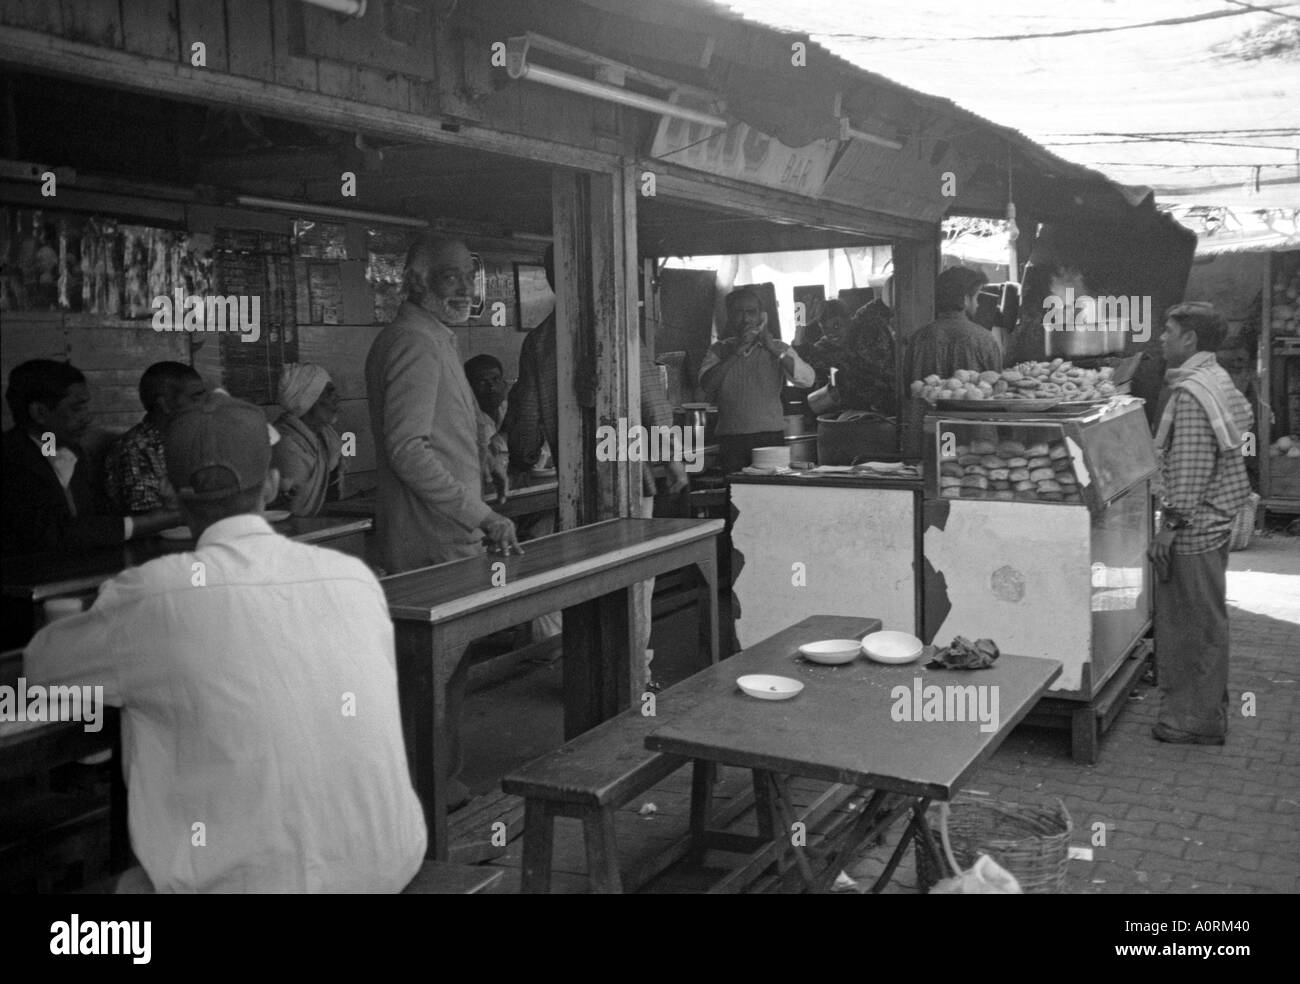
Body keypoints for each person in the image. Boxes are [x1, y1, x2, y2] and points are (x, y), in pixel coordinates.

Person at [23, 393, 427, 891]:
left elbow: (41, 669)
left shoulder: (154, 595)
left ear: (172, 495)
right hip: (386, 870)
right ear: (273, 485)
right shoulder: (353, 579)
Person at [365, 232, 520, 809]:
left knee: (445, 673)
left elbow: (439, 434)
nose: (465, 286)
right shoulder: (414, 341)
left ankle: (437, 787)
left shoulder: (432, 337)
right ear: (416, 280)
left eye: (469, 275)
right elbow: (409, 449)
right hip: (431, 539)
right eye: (450, 275)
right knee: (434, 676)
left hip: (440, 532)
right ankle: (426, 798)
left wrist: (483, 467)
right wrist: (481, 514)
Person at [507, 245, 688, 689]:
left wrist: (525, 456)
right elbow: (652, 398)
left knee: (581, 576)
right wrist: (674, 459)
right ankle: (634, 676)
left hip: (574, 486)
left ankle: (586, 677)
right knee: (635, 579)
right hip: (627, 477)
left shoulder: (540, 340)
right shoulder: (619, 326)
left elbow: (526, 419)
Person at [1148, 302, 1253, 746]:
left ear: (1189, 339)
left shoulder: (1190, 393)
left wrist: (1168, 528)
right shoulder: (1216, 378)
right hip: (1216, 520)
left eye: (1168, 331)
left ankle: (1196, 720)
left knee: (1192, 625)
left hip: (1195, 528)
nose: (1161, 338)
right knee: (1206, 619)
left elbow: (1189, 471)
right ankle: (1207, 708)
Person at [2, 359, 180, 557]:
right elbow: (51, 534)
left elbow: (96, 517)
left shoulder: (64, 450)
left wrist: (163, 509)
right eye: (77, 408)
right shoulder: (11, 460)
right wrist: (151, 521)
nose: (88, 417)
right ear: (40, 412)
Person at [699, 285, 816, 474]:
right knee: (735, 495)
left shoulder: (778, 348)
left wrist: (772, 348)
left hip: (770, 439)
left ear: (761, 316)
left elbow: (807, 379)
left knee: (770, 495)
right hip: (732, 440)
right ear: (729, 316)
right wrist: (736, 352)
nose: (745, 319)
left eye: (751, 312)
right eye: (738, 312)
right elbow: (707, 385)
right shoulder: (719, 350)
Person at [104, 361, 207, 515]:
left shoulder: (193, 438)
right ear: (165, 404)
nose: (203, 405)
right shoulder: (135, 449)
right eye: (195, 398)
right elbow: (148, 518)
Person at [902, 265, 1003, 383]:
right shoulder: (985, 340)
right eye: (976, 297)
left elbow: (908, 389)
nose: (978, 304)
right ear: (965, 300)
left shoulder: (917, 339)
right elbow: (998, 387)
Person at [272, 362, 346, 517]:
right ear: (310, 400)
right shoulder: (284, 445)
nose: (337, 398)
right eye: (329, 392)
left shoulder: (329, 439)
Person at [464, 353, 510, 498]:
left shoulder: (511, 410)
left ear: (504, 384)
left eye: (496, 379)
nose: (491, 387)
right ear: (468, 389)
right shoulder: (464, 420)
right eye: (482, 382)